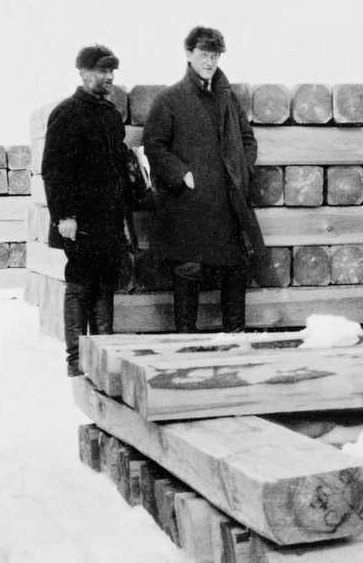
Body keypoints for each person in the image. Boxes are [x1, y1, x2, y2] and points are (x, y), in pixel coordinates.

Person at [143, 27, 264, 333]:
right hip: (189, 207)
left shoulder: (227, 98)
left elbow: (248, 140)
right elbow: (154, 145)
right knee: (189, 270)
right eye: (203, 55)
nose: (210, 62)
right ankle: (186, 346)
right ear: (188, 55)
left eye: (215, 55)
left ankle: (235, 345)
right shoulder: (169, 99)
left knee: (235, 270)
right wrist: (181, 174)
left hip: (227, 204)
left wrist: (242, 170)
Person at [41, 45, 135, 377]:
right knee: (80, 283)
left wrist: (124, 215)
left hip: (109, 217)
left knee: (105, 283)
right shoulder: (67, 112)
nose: (109, 77)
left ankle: (103, 354)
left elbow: (116, 167)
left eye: (112, 71)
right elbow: (54, 169)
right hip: (79, 219)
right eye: (102, 71)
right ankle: (76, 360)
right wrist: (64, 214)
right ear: (83, 73)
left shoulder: (110, 114)